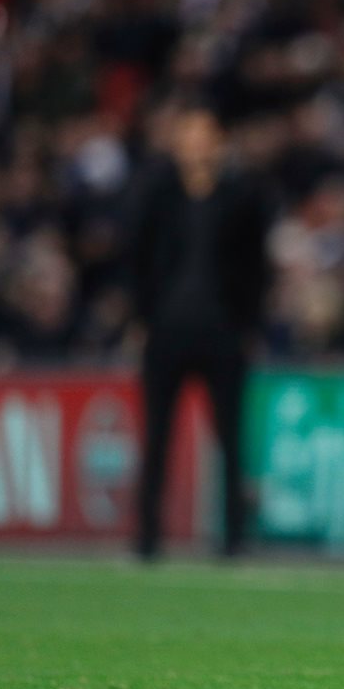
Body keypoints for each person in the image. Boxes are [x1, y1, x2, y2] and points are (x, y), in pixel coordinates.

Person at [126, 102, 271, 560]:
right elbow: (136, 259)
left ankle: (233, 539)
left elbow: (257, 268)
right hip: (165, 332)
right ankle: (147, 540)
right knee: (156, 437)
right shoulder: (157, 195)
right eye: (189, 135)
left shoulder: (243, 196)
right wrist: (140, 319)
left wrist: (249, 324)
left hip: (224, 333)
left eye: (205, 135)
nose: (197, 145)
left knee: (229, 439)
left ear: (220, 142)